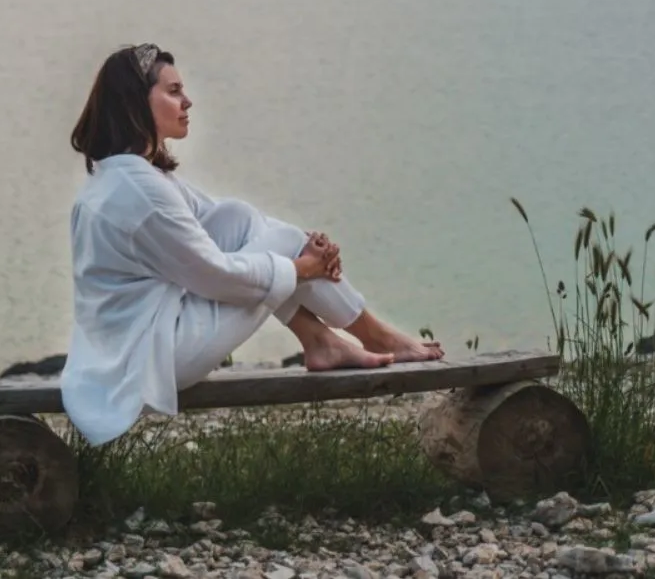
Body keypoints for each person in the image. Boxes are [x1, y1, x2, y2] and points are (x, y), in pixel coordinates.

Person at [61, 42, 443, 445]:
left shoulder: (126, 177)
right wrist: (303, 266)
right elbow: (215, 274)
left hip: (133, 343)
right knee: (279, 242)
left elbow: (228, 227)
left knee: (238, 218)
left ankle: (321, 340)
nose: (187, 101)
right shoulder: (138, 191)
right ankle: (372, 338)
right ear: (134, 103)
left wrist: (304, 251)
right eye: (173, 92)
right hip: (150, 359)